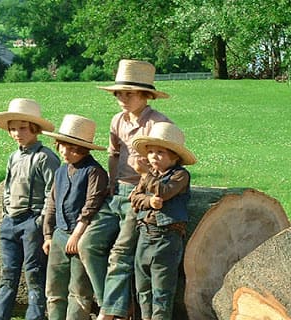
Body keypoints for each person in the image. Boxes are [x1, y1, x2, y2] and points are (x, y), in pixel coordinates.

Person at [94, 59, 173, 319]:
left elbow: (167, 167)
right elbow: (114, 153)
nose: (122, 98)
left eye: (129, 93)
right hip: (116, 192)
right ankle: (112, 302)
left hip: (141, 195)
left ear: (145, 95)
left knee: (120, 252)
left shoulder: (158, 124)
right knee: (87, 245)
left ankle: (109, 313)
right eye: (119, 93)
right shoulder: (117, 120)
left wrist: (145, 178)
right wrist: (110, 182)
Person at [0, 98, 60, 320]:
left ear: (35, 129)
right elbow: (8, 188)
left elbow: (53, 192)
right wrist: (4, 214)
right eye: (13, 129)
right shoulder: (14, 157)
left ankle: (35, 316)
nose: (17, 133)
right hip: (10, 221)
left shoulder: (45, 157)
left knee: (34, 273)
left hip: (32, 221)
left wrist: (40, 221)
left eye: (22, 128)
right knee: (8, 273)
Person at [41, 114, 110, 320]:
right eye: (63, 146)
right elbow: (52, 203)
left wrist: (77, 235)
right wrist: (48, 235)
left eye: (72, 149)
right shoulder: (61, 170)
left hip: (79, 235)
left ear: (84, 149)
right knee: (54, 290)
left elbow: (91, 205)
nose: (66, 152)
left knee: (78, 290)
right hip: (59, 234)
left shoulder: (94, 172)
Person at [130, 122, 196, 320]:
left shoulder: (179, 175)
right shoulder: (150, 175)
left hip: (166, 237)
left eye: (160, 152)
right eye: (151, 152)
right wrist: (149, 201)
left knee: (162, 290)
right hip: (145, 233)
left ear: (174, 157)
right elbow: (134, 198)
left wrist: (145, 174)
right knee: (143, 288)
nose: (153, 157)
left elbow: (164, 192)